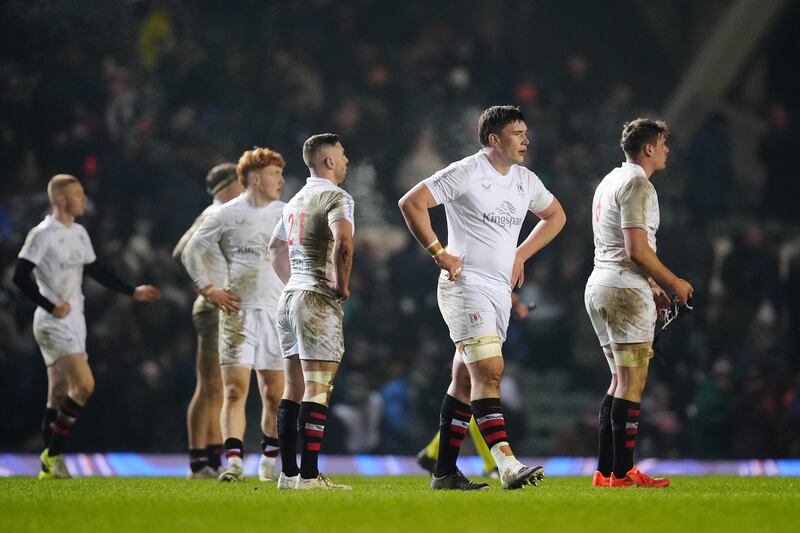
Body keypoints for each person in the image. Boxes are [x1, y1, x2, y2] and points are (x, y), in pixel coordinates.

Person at [398, 105, 566, 490]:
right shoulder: (466, 172)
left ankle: (444, 473)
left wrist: (520, 254)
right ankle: (506, 464)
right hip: (465, 285)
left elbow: (556, 216)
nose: (526, 140)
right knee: (489, 370)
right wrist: (439, 252)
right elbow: (411, 203)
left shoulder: (526, 180)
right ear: (494, 139)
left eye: (526, 133)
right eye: (517, 133)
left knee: (463, 380)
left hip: (499, 290)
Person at [13, 174, 161, 479]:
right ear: (61, 199)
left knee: (58, 393)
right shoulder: (42, 234)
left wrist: (132, 291)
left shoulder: (79, 232)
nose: (84, 199)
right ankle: (52, 454)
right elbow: (19, 277)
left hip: (75, 319)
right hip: (52, 322)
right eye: (78, 194)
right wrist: (50, 305)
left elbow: (96, 270)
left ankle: (49, 466)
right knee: (84, 385)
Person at [584, 118, 693, 488]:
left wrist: (652, 283)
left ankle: (606, 471)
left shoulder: (610, 180)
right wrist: (673, 281)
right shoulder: (638, 184)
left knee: (619, 380)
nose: (667, 151)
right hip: (624, 289)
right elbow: (635, 249)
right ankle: (623, 472)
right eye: (663, 144)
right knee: (632, 382)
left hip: (601, 284)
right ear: (649, 147)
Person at [182, 147, 286, 482]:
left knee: (274, 393)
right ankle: (234, 463)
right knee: (233, 390)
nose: (281, 181)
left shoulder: (286, 213)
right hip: (237, 314)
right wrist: (208, 288)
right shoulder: (224, 214)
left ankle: (268, 461)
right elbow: (189, 252)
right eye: (275, 174)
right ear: (255, 178)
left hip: (275, 312)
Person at [269, 133, 354, 490]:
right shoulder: (336, 197)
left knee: (293, 388)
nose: (347, 160)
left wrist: (295, 281)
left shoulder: (294, 200)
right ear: (329, 161)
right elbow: (344, 243)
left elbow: (275, 248)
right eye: (343, 154)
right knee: (318, 388)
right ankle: (308, 475)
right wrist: (342, 285)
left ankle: (288, 474)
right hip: (316, 299)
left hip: (289, 298)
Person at [172, 163, 244, 479]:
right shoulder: (213, 214)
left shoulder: (223, 215)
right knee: (210, 386)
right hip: (214, 308)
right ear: (229, 185)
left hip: (224, 308)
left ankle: (212, 460)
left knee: (218, 388)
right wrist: (207, 287)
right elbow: (181, 252)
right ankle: (198, 461)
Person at [415, 294, 532, 478]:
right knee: (475, 400)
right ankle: (491, 464)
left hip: (474, 333)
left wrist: (514, 303)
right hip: (466, 333)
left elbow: (495, 283)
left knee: (470, 402)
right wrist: (514, 303)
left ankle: (431, 454)